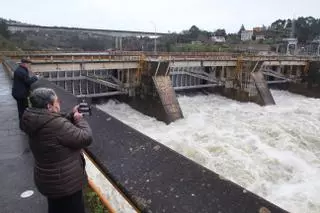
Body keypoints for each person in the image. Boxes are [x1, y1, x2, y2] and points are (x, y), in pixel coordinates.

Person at [21, 87, 93, 213]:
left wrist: (70, 115)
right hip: (65, 183)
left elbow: (53, 122)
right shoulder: (56, 125)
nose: (59, 104)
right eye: (57, 102)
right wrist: (79, 119)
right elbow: (86, 138)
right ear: (49, 106)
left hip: (48, 180)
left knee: (56, 208)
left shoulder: (32, 119)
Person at [12, 58, 38, 129]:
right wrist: (35, 77)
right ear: (24, 64)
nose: (29, 66)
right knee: (22, 110)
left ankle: (23, 124)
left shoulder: (19, 70)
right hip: (21, 94)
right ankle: (23, 125)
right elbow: (28, 81)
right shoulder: (21, 71)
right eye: (29, 64)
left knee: (22, 109)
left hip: (18, 93)